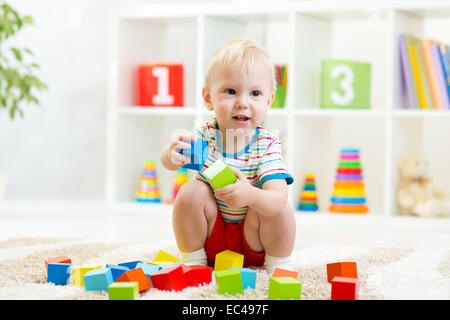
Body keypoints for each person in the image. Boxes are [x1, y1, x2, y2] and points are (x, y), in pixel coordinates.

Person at [160, 38, 295, 273]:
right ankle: (193, 262)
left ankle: (278, 266)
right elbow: (169, 163)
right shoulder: (204, 136)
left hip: (254, 238)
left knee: (279, 208)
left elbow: (277, 199)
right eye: (231, 91)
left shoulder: (267, 144)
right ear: (209, 98)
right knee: (190, 191)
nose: (242, 103)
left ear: (269, 100)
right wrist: (172, 154)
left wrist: (250, 195)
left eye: (255, 93)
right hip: (212, 238)